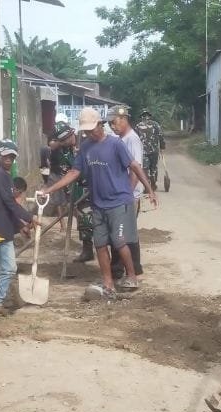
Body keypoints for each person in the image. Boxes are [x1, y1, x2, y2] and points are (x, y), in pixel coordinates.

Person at [41, 107, 157, 299]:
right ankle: (108, 282)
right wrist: (49, 189)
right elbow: (74, 172)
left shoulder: (116, 144)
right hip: (98, 204)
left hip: (119, 201)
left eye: (91, 129)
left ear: (100, 125)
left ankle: (132, 276)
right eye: (85, 130)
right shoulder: (86, 147)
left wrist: (150, 190)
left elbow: (134, 166)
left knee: (119, 241)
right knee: (100, 244)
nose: (88, 133)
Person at [0, 140, 37, 322]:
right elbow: (9, 202)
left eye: (12, 156)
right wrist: (29, 218)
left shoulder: (6, 175)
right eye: (5, 156)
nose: (9, 159)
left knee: (10, 268)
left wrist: (20, 226)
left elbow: (7, 207)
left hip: (5, 231)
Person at [107, 105, 145, 279]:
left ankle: (123, 269)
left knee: (122, 234)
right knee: (125, 233)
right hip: (123, 195)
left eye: (114, 122)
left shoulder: (132, 139)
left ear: (123, 119)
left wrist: (127, 195)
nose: (112, 127)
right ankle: (128, 268)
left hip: (129, 195)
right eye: (110, 124)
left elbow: (135, 169)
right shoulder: (121, 139)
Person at [49, 121, 94, 263]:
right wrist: (71, 198)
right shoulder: (62, 152)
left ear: (71, 133)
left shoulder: (88, 144)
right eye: (61, 141)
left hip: (96, 189)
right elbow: (66, 175)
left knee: (101, 224)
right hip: (79, 192)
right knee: (84, 222)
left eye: (66, 138)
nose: (64, 142)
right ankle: (87, 250)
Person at [135, 108, 166, 189]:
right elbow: (161, 136)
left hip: (144, 152)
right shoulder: (155, 124)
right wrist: (162, 147)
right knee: (153, 168)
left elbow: (135, 138)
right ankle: (152, 181)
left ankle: (148, 184)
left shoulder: (138, 126)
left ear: (141, 116)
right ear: (149, 116)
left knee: (145, 168)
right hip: (154, 151)